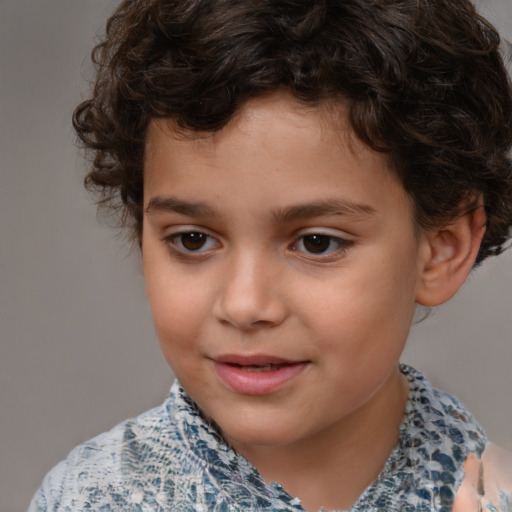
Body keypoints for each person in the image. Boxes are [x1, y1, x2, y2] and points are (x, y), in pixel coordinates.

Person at [29, 0, 512, 510]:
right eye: (192, 239)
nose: (244, 304)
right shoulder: (86, 498)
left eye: (316, 242)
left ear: (441, 249)